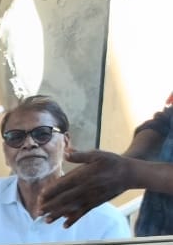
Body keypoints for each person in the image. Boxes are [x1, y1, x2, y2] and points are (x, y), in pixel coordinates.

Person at [0, 95, 130, 245]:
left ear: (65, 143)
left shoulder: (104, 220)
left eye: (42, 134)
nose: (29, 144)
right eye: (15, 137)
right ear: (5, 150)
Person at [40, 101, 173, 236]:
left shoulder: (110, 221)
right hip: (153, 237)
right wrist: (123, 164)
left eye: (42, 134)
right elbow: (164, 123)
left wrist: (130, 173)